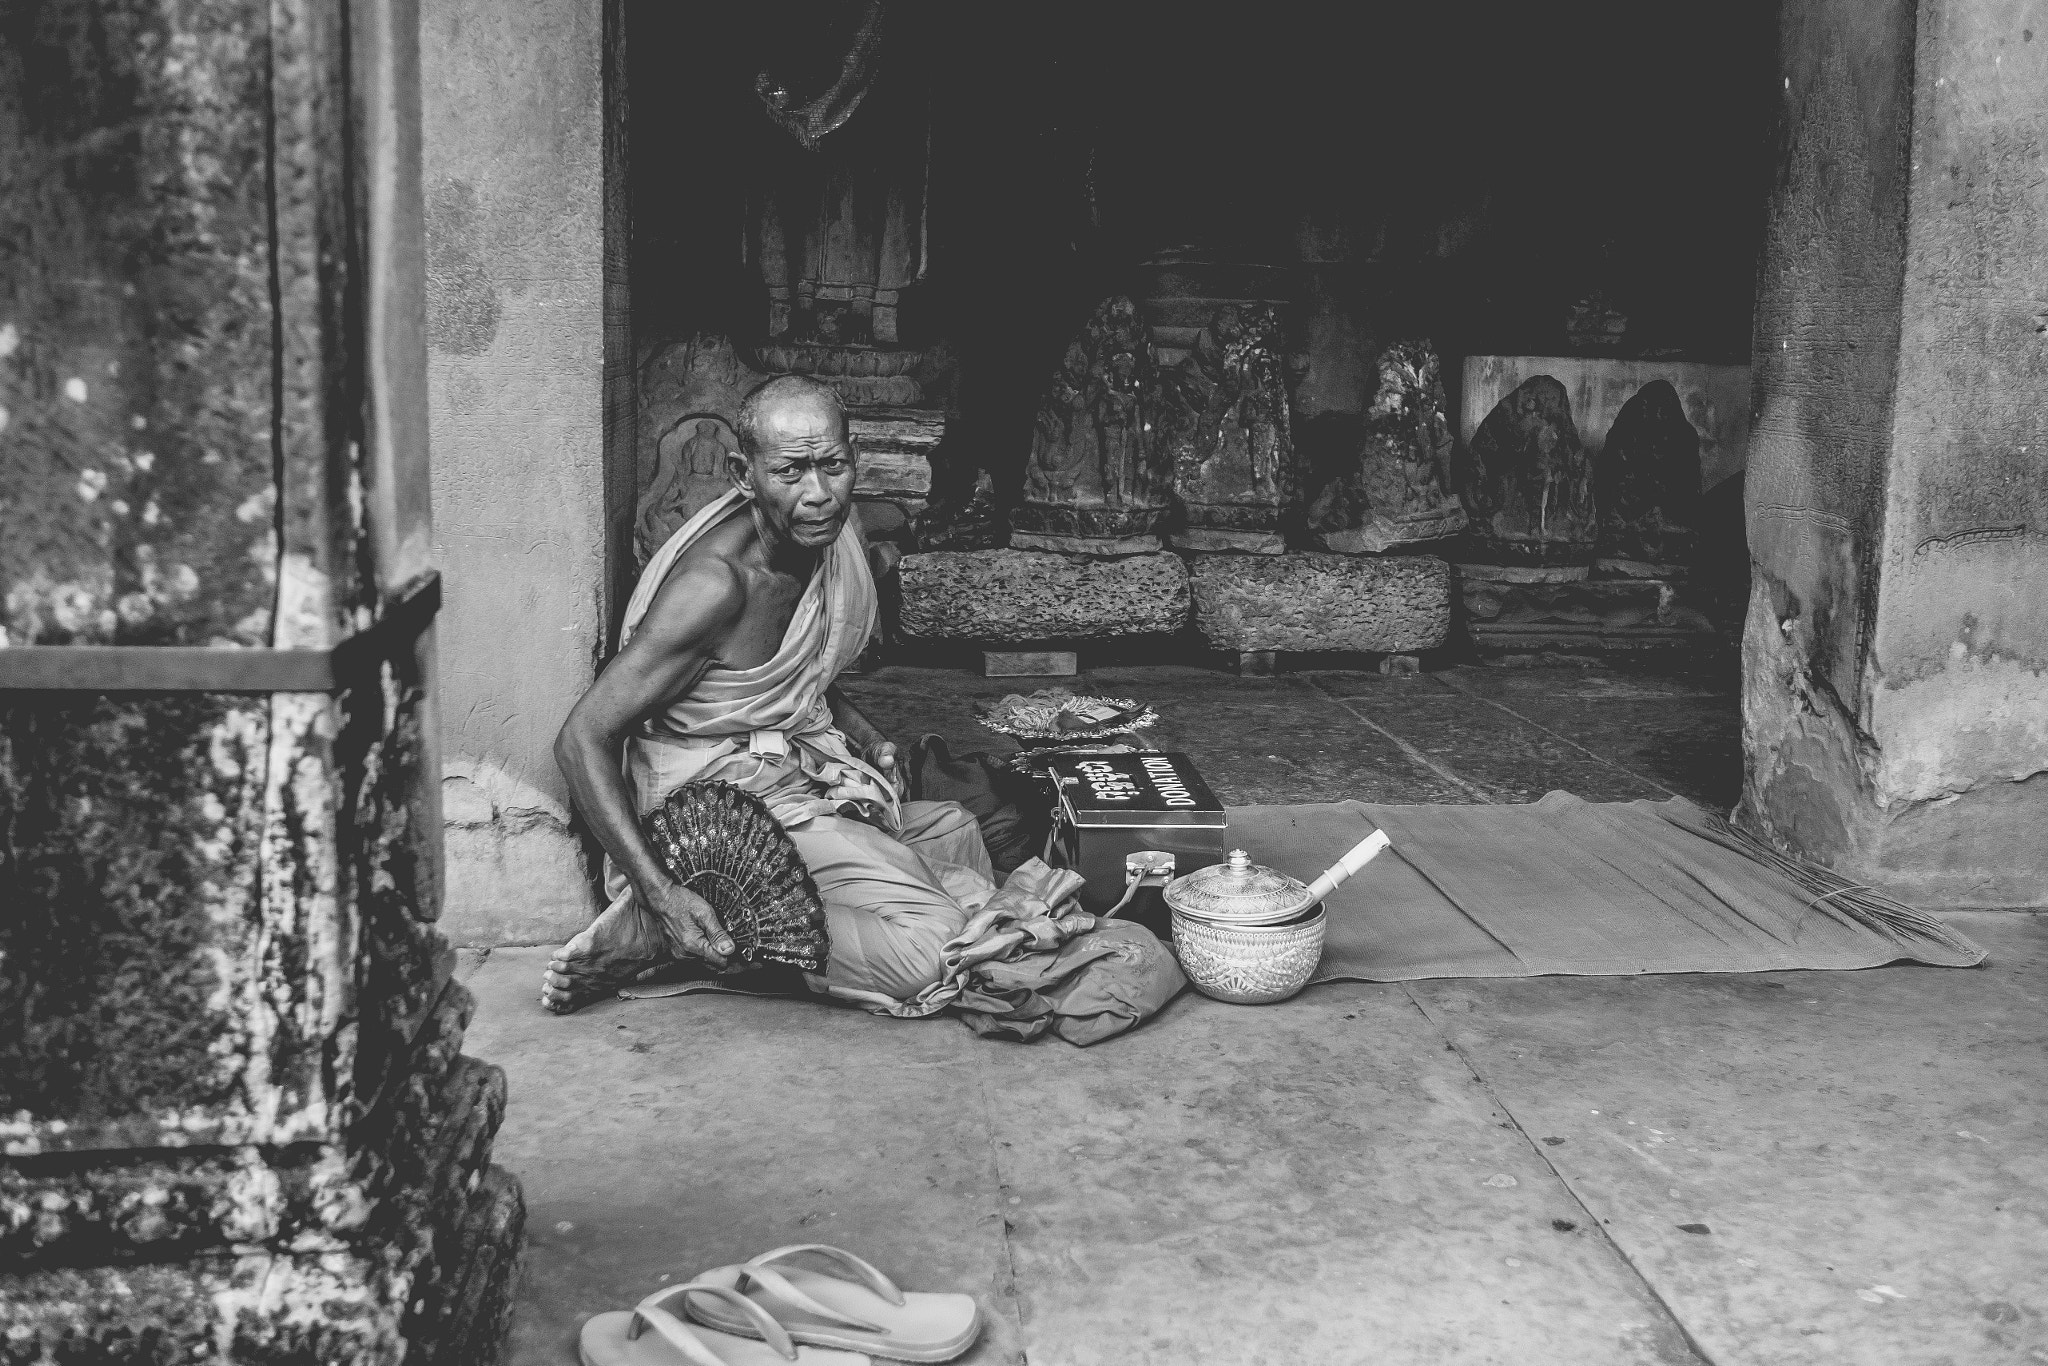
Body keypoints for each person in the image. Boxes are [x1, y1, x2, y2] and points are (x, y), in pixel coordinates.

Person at [541, 376, 994, 1014]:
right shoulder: (715, 588)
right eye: (791, 472)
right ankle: (682, 932)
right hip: (718, 817)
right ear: (743, 474)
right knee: (940, 947)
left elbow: (792, 676)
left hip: (787, 778)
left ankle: (745, 916)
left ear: (853, 457)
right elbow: (581, 738)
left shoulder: (829, 536)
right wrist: (661, 892)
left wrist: (861, 736)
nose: (819, 495)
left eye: (833, 466)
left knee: (961, 833)